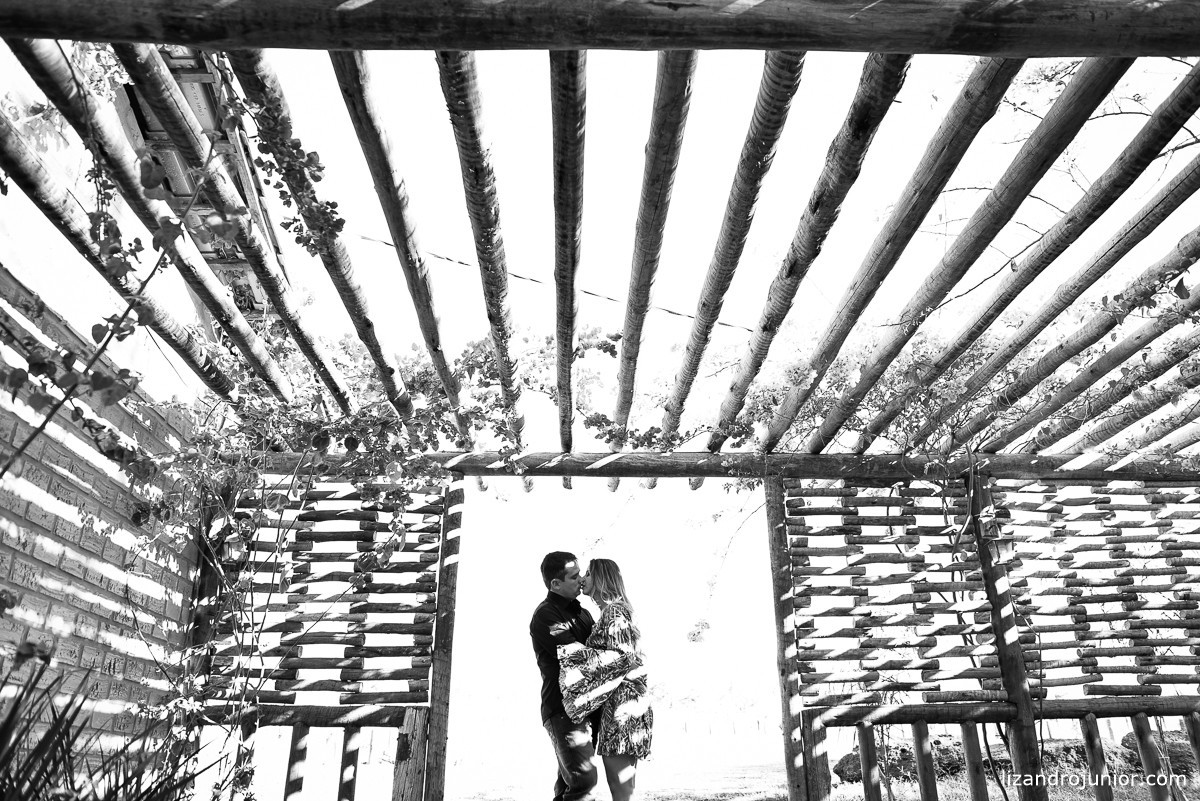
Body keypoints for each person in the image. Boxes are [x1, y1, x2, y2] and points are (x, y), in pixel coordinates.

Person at [561, 558, 654, 801]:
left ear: (601, 578)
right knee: (623, 792)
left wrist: (575, 656)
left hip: (622, 707)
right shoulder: (610, 612)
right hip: (622, 706)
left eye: (589, 574)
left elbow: (622, 657)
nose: (583, 579)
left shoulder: (614, 611)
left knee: (622, 794)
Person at [530, 551, 602, 801]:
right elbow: (575, 656)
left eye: (582, 573)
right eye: (574, 576)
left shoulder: (583, 614)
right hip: (562, 710)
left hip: (586, 708)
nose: (581, 579)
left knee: (568, 786)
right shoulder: (545, 615)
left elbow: (599, 654)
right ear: (555, 584)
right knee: (584, 782)